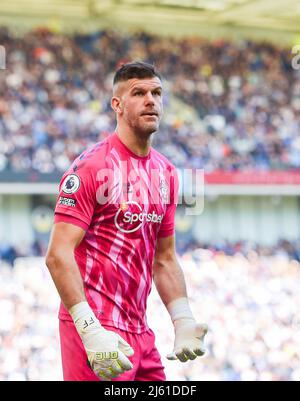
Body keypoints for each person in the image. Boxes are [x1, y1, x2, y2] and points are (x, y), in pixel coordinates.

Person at [46, 61, 208, 381]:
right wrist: (89, 331)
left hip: (140, 332)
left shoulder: (167, 173)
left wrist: (183, 317)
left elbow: (164, 258)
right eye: (139, 93)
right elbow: (57, 255)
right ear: (117, 105)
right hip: (96, 332)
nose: (151, 100)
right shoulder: (91, 167)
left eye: (157, 93)